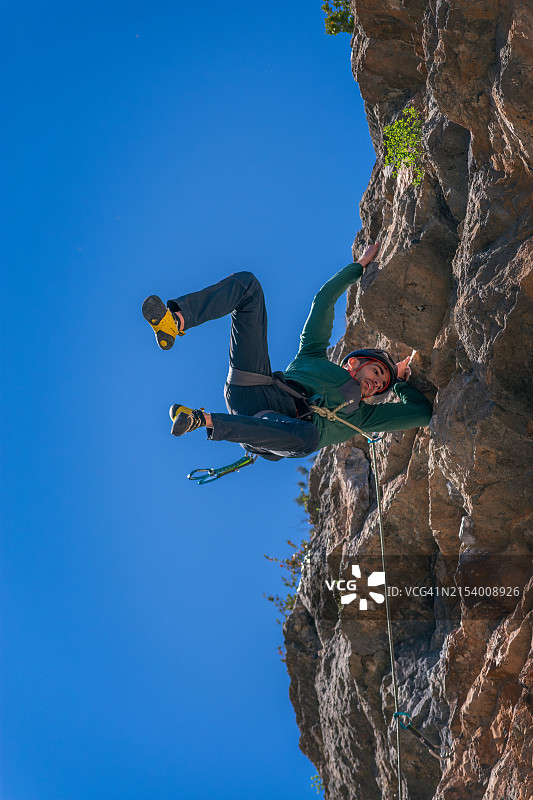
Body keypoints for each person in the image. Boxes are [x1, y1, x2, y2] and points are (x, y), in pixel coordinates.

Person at [141, 242, 433, 461]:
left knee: (308, 437)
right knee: (249, 286)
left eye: (381, 385)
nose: (376, 383)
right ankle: (175, 320)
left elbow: (421, 414)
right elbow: (323, 301)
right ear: (355, 362)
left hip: (277, 428)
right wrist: (357, 267)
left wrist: (397, 381)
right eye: (377, 372)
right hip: (253, 388)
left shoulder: (363, 418)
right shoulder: (313, 355)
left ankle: (201, 420)